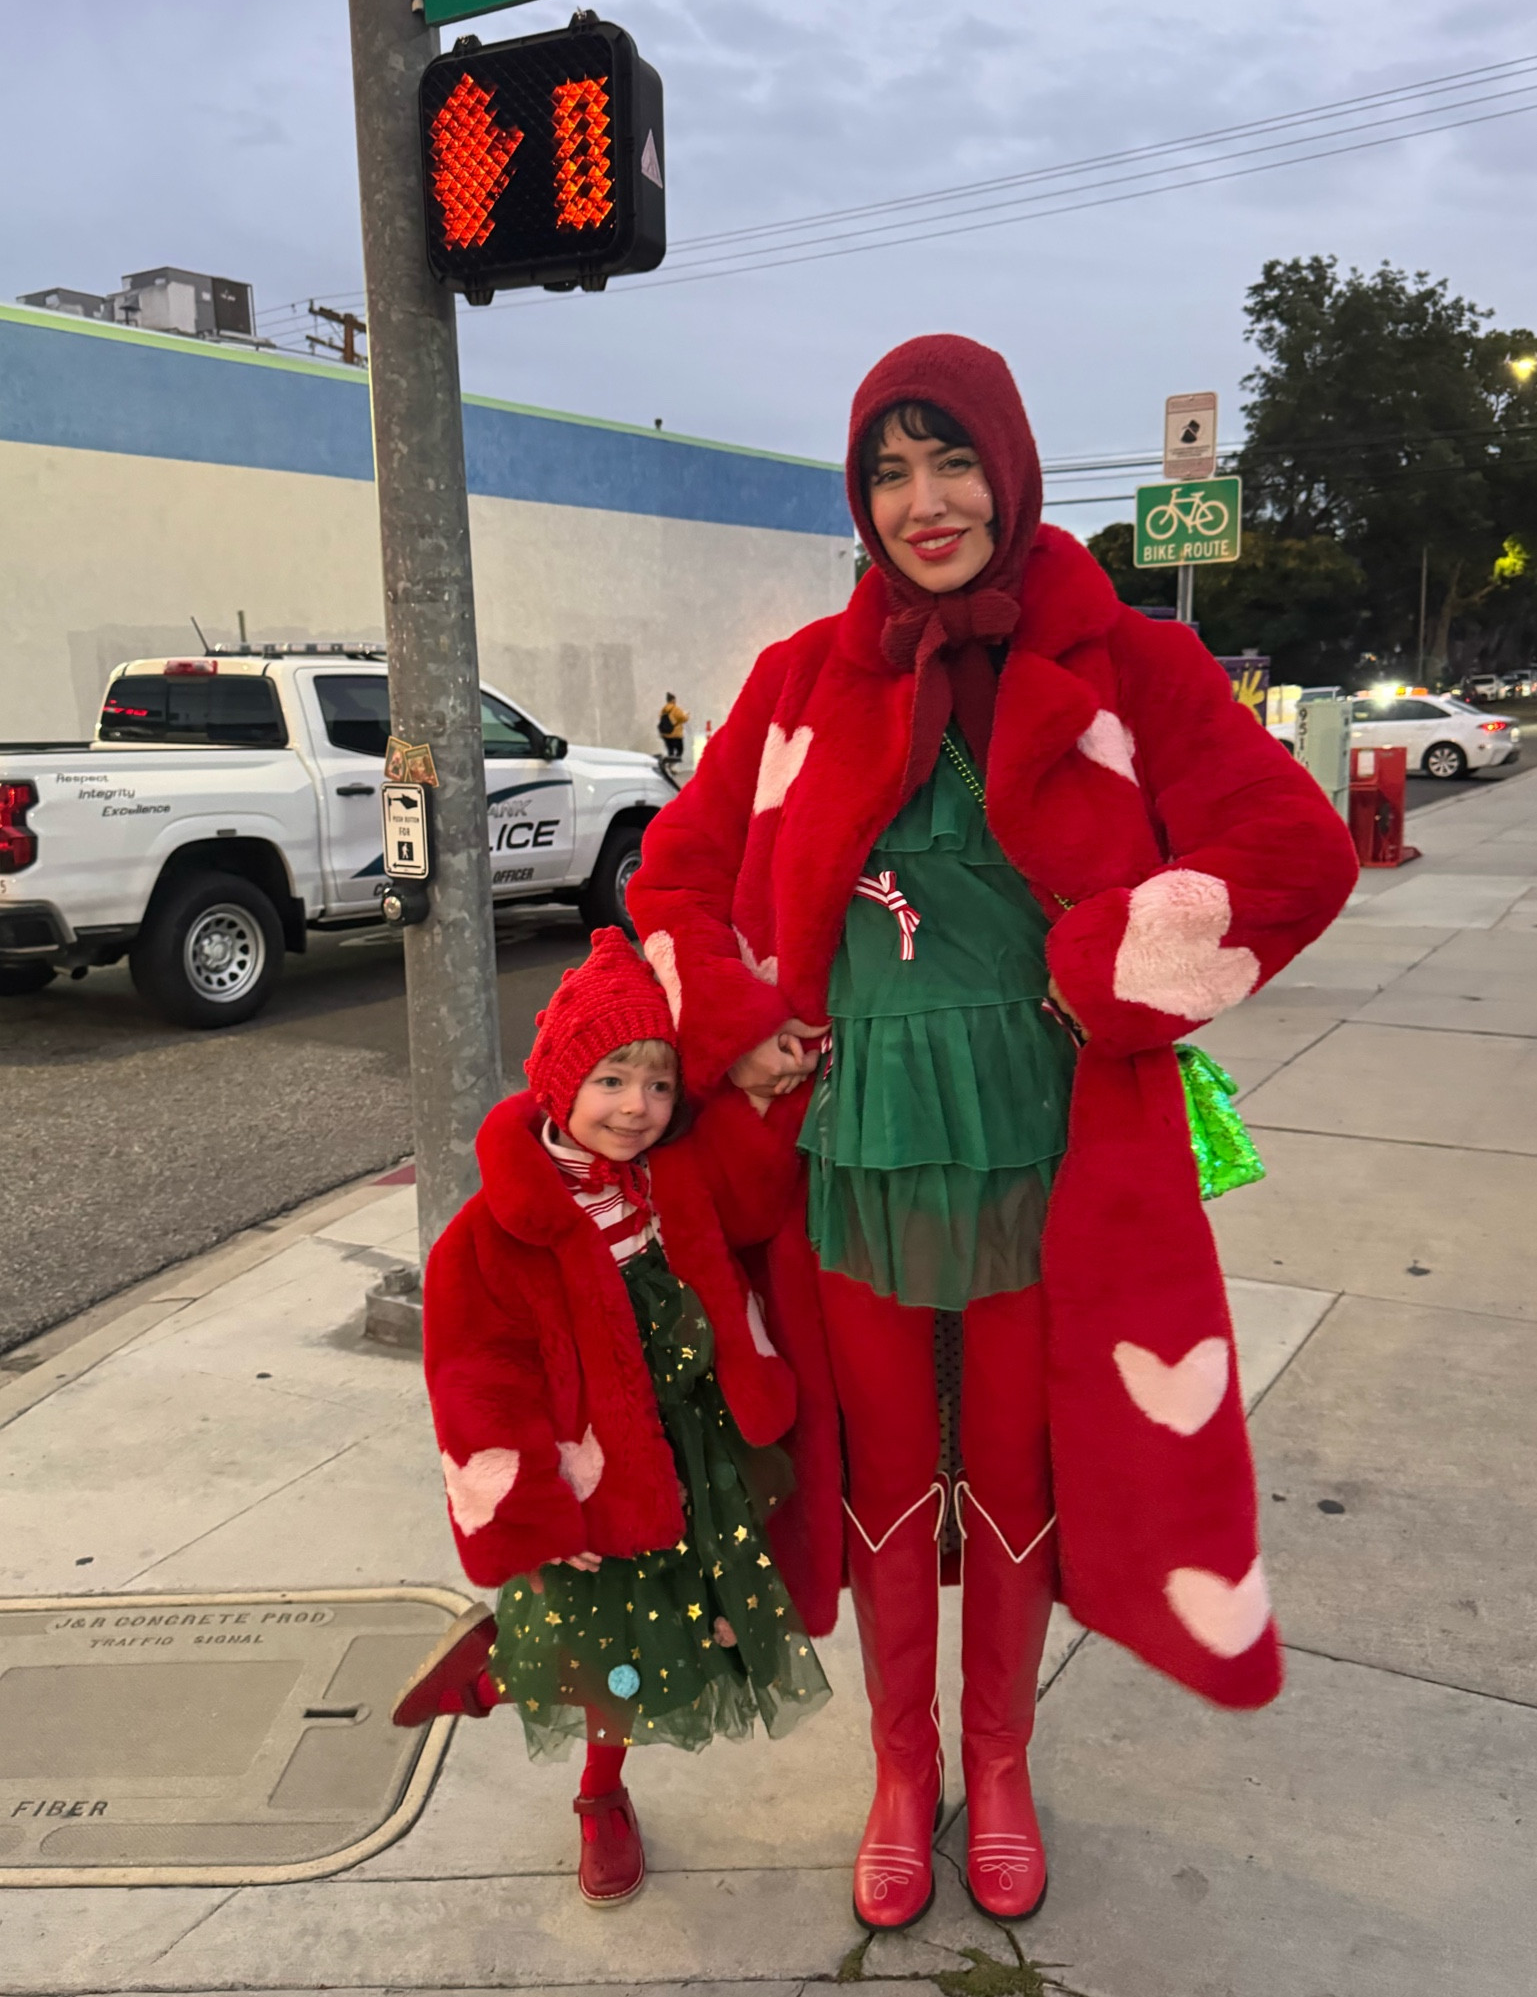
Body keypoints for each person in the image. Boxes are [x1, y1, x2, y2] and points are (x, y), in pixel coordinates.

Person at [628, 334, 1358, 1932]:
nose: (923, 501)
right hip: (860, 1156)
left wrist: (1115, 971)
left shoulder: (1130, 664)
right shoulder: (799, 682)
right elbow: (667, 885)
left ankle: (1002, 1762)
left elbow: (1293, 850)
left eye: (949, 459)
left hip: (1050, 1152)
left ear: (1010, 466)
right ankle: (904, 1774)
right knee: (889, 1476)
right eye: (888, 471)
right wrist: (743, 1029)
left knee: (1016, 1478)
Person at [393, 928, 830, 1907]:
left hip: (691, 1452)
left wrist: (782, 1072)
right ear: (558, 1084)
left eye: (660, 1084)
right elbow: (475, 1381)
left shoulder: (665, 1179)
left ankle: (497, 1666)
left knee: (692, 1632)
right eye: (612, 1080)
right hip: (595, 1477)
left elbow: (753, 1206)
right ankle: (597, 1796)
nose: (637, 1107)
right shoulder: (498, 1232)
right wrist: (542, 1509)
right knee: (621, 1658)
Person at [658, 690, 689, 762]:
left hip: (666, 734)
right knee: (680, 751)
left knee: (670, 751)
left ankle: (668, 766)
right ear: (673, 700)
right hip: (676, 734)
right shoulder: (676, 709)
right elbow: (683, 718)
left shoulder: (663, 709)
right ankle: (672, 765)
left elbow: (661, 718)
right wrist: (686, 715)